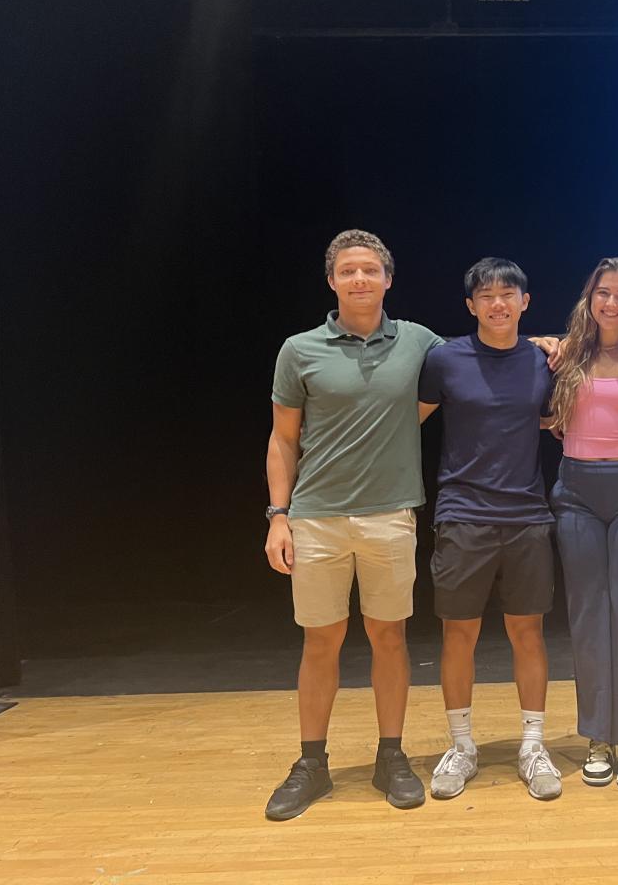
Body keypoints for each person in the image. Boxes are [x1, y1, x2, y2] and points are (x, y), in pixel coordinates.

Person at [263, 229, 440, 818]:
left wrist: (543, 343)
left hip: (390, 516)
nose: (359, 279)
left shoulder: (418, 342)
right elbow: (283, 439)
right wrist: (278, 516)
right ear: (332, 281)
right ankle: (312, 763)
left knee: (389, 637)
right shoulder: (300, 350)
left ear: (388, 278)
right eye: (347, 271)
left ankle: (391, 756)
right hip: (316, 519)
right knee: (321, 641)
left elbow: (480, 360)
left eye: (369, 269)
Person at [417, 258, 563, 802]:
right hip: (462, 514)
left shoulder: (543, 360)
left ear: (525, 301)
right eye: (486, 295)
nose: (497, 303)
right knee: (459, 634)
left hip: (527, 515)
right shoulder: (444, 360)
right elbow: (406, 422)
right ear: (470, 305)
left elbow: (549, 418)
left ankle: (533, 746)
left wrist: (557, 346)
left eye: (508, 294)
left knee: (529, 632)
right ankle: (462, 746)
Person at [546, 257, 618, 788]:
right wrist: (539, 344)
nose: (611, 302)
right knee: (587, 612)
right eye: (602, 292)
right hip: (576, 490)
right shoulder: (567, 352)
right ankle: (597, 735)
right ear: (589, 298)